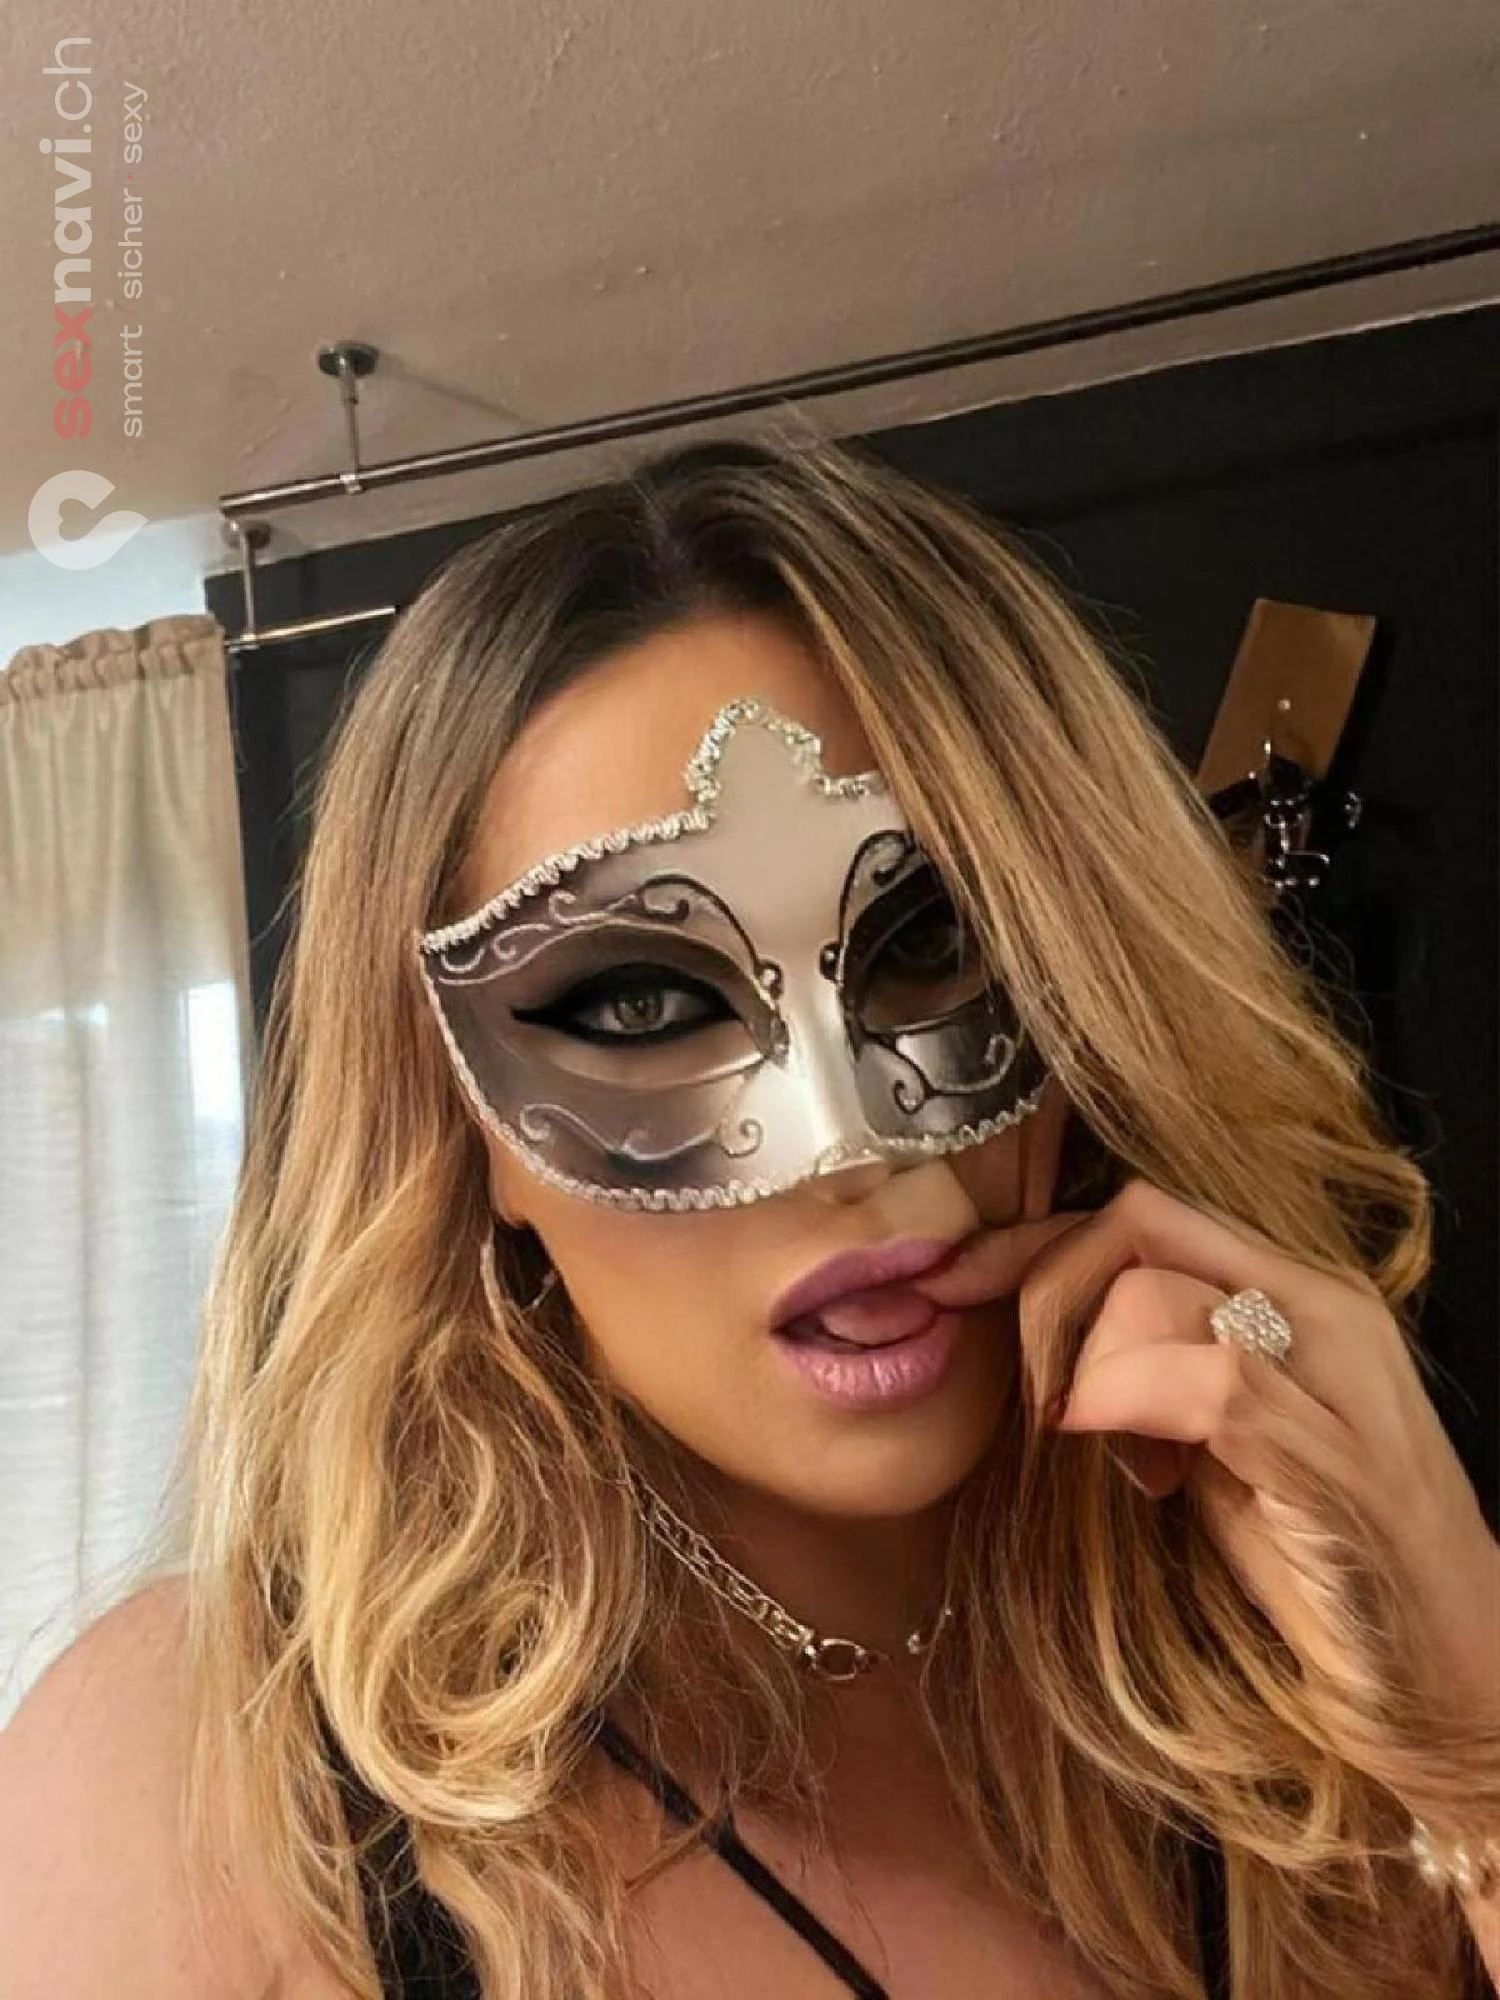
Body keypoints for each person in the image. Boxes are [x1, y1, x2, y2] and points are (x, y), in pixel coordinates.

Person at [2, 435, 1496, 2000]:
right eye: (643, 1002)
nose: (844, 1147)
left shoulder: (1288, 1691)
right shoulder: (204, 1786)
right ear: (462, 1129)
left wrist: (1471, 1719)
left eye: (932, 940)